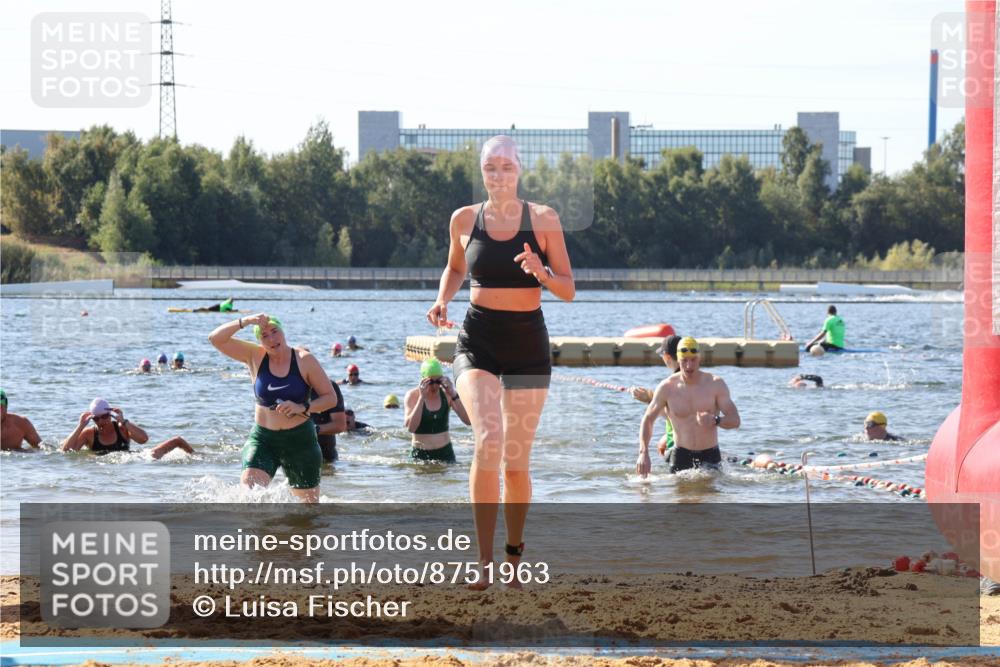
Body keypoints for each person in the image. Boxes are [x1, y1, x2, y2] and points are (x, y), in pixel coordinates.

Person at [426, 135, 575, 589]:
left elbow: (567, 289)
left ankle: (513, 556)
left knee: (515, 460)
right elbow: (455, 268)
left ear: (519, 171)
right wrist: (441, 299)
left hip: (528, 343)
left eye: (506, 167)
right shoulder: (464, 219)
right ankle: (483, 564)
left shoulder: (544, 219)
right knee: (488, 439)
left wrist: (542, 273)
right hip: (478, 339)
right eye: (491, 167)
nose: (498, 175)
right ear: (482, 171)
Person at [209, 314, 340, 503]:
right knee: (249, 498)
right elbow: (215, 339)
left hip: (300, 442)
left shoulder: (304, 360)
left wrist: (302, 406)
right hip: (263, 440)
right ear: (259, 340)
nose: (271, 339)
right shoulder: (254, 355)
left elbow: (330, 398)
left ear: (282, 331)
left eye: (274, 331)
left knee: (308, 512)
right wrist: (246, 321)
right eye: (264, 335)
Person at [636, 337, 740, 476]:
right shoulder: (667, 387)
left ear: (699, 358)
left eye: (693, 360)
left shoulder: (715, 384)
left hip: (710, 456)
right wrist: (643, 453)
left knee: (711, 497)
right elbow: (648, 419)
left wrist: (716, 420)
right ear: (678, 359)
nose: (689, 365)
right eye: (684, 360)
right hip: (681, 455)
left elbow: (735, 420)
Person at [60, 398, 194, 458]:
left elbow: (144, 440)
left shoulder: (121, 428)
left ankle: (200, 458)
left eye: (105, 416)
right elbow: (66, 452)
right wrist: (80, 425)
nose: (100, 421)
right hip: (102, 463)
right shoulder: (88, 433)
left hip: (132, 460)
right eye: (96, 418)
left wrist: (124, 421)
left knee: (178, 440)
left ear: (110, 414)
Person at [403, 358, 472, 463]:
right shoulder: (412, 396)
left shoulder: (447, 395)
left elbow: (468, 420)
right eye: (430, 382)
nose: (435, 386)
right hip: (420, 455)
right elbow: (411, 428)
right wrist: (422, 398)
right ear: (423, 380)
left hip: (445, 454)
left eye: (438, 381)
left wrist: (453, 393)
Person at [629, 334, 681, 458]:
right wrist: (652, 397)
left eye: (661, 355)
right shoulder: (697, 379)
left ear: (667, 356)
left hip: (679, 449)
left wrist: (649, 400)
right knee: (662, 444)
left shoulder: (670, 384)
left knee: (663, 446)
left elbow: (673, 416)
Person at [312, 380, 346, 463]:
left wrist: (313, 430)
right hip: (292, 455)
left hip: (326, 458)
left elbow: (340, 425)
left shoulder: (328, 386)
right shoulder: (285, 385)